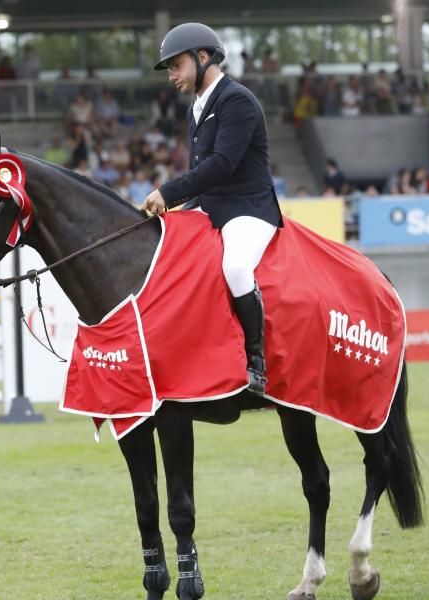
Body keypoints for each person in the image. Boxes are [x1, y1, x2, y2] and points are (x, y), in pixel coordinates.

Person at [141, 22, 282, 395]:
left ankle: (257, 364)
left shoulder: (236, 100)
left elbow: (220, 166)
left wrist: (167, 194)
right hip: (212, 206)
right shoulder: (197, 108)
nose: (172, 75)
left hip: (248, 208)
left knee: (235, 267)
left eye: (176, 66)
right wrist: (175, 210)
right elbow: (202, 177)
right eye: (170, 68)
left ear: (202, 58)